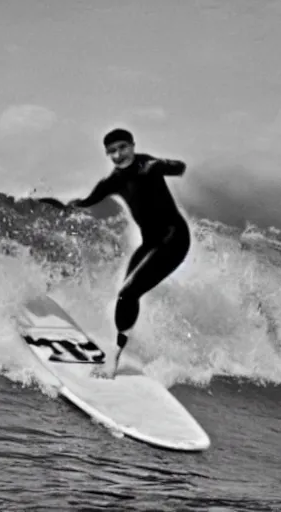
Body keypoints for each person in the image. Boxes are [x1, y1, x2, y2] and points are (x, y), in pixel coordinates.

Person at [67, 128, 191, 378]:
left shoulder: (150, 165)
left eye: (123, 147)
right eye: (112, 151)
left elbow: (181, 167)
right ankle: (123, 347)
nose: (118, 154)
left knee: (127, 293)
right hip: (150, 244)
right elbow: (86, 202)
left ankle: (113, 358)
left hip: (175, 239)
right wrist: (62, 205)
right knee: (125, 296)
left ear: (133, 146)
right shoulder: (112, 182)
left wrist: (162, 165)